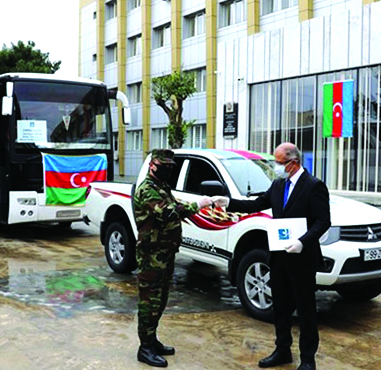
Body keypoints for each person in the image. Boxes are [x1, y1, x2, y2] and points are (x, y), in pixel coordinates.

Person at [213, 142, 331, 370]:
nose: (275, 167)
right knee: (281, 307)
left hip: (302, 259)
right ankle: (282, 350)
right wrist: (228, 203)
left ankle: (308, 359)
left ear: (293, 163)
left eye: (278, 163)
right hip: (279, 257)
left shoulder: (314, 186)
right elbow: (257, 204)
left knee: (305, 310)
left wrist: (302, 242)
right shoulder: (278, 185)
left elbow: (323, 222)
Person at [133, 149, 213, 367]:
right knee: (149, 301)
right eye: (164, 166)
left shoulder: (161, 186)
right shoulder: (148, 189)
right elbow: (168, 212)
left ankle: (152, 339)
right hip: (152, 255)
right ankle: (145, 348)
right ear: (152, 165)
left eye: (170, 167)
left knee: (161, 299)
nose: (168, 170)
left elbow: (174, 209)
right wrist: (199, 204)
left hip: (164, 253)